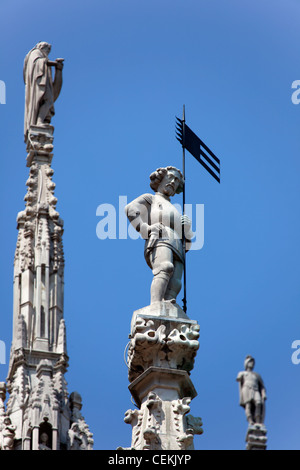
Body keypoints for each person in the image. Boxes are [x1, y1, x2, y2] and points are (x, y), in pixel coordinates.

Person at [125, 166, 193, 305]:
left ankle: (168, 303)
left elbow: (188, 245)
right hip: (160, 237)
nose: (173, 182)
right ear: (161, 178)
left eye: (177, 180)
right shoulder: (151, 199)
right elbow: (130, 209)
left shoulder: (175, 209)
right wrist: (145, 228)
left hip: (177, 244)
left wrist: (187, 230)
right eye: (171, 177)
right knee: (165, 267)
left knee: (176, 282)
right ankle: (156, 304)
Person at [23, 42, 64, 141]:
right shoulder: (35, 52)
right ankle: (39, 121)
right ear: (42, 47)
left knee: (49, 101)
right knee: (48, 101)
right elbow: (37, 63)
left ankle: (41, 120)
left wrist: (58, 68)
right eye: (47, 50)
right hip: (38, 83)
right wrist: (54, 64)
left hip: (44, 83)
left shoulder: (42, 57)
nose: (47, 52)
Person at [236, 355, 267, 425]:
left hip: (255, 389)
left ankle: (258, 419)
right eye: (250, 362)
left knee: (258, 403)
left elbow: (262, 386)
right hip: (246, 389)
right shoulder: (242, 373)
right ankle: (250, 420)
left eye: (253, 362)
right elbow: (239, 380)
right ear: (246, 363)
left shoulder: (256, 375)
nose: (252, 364)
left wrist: (263, 393)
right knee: (248, 405)